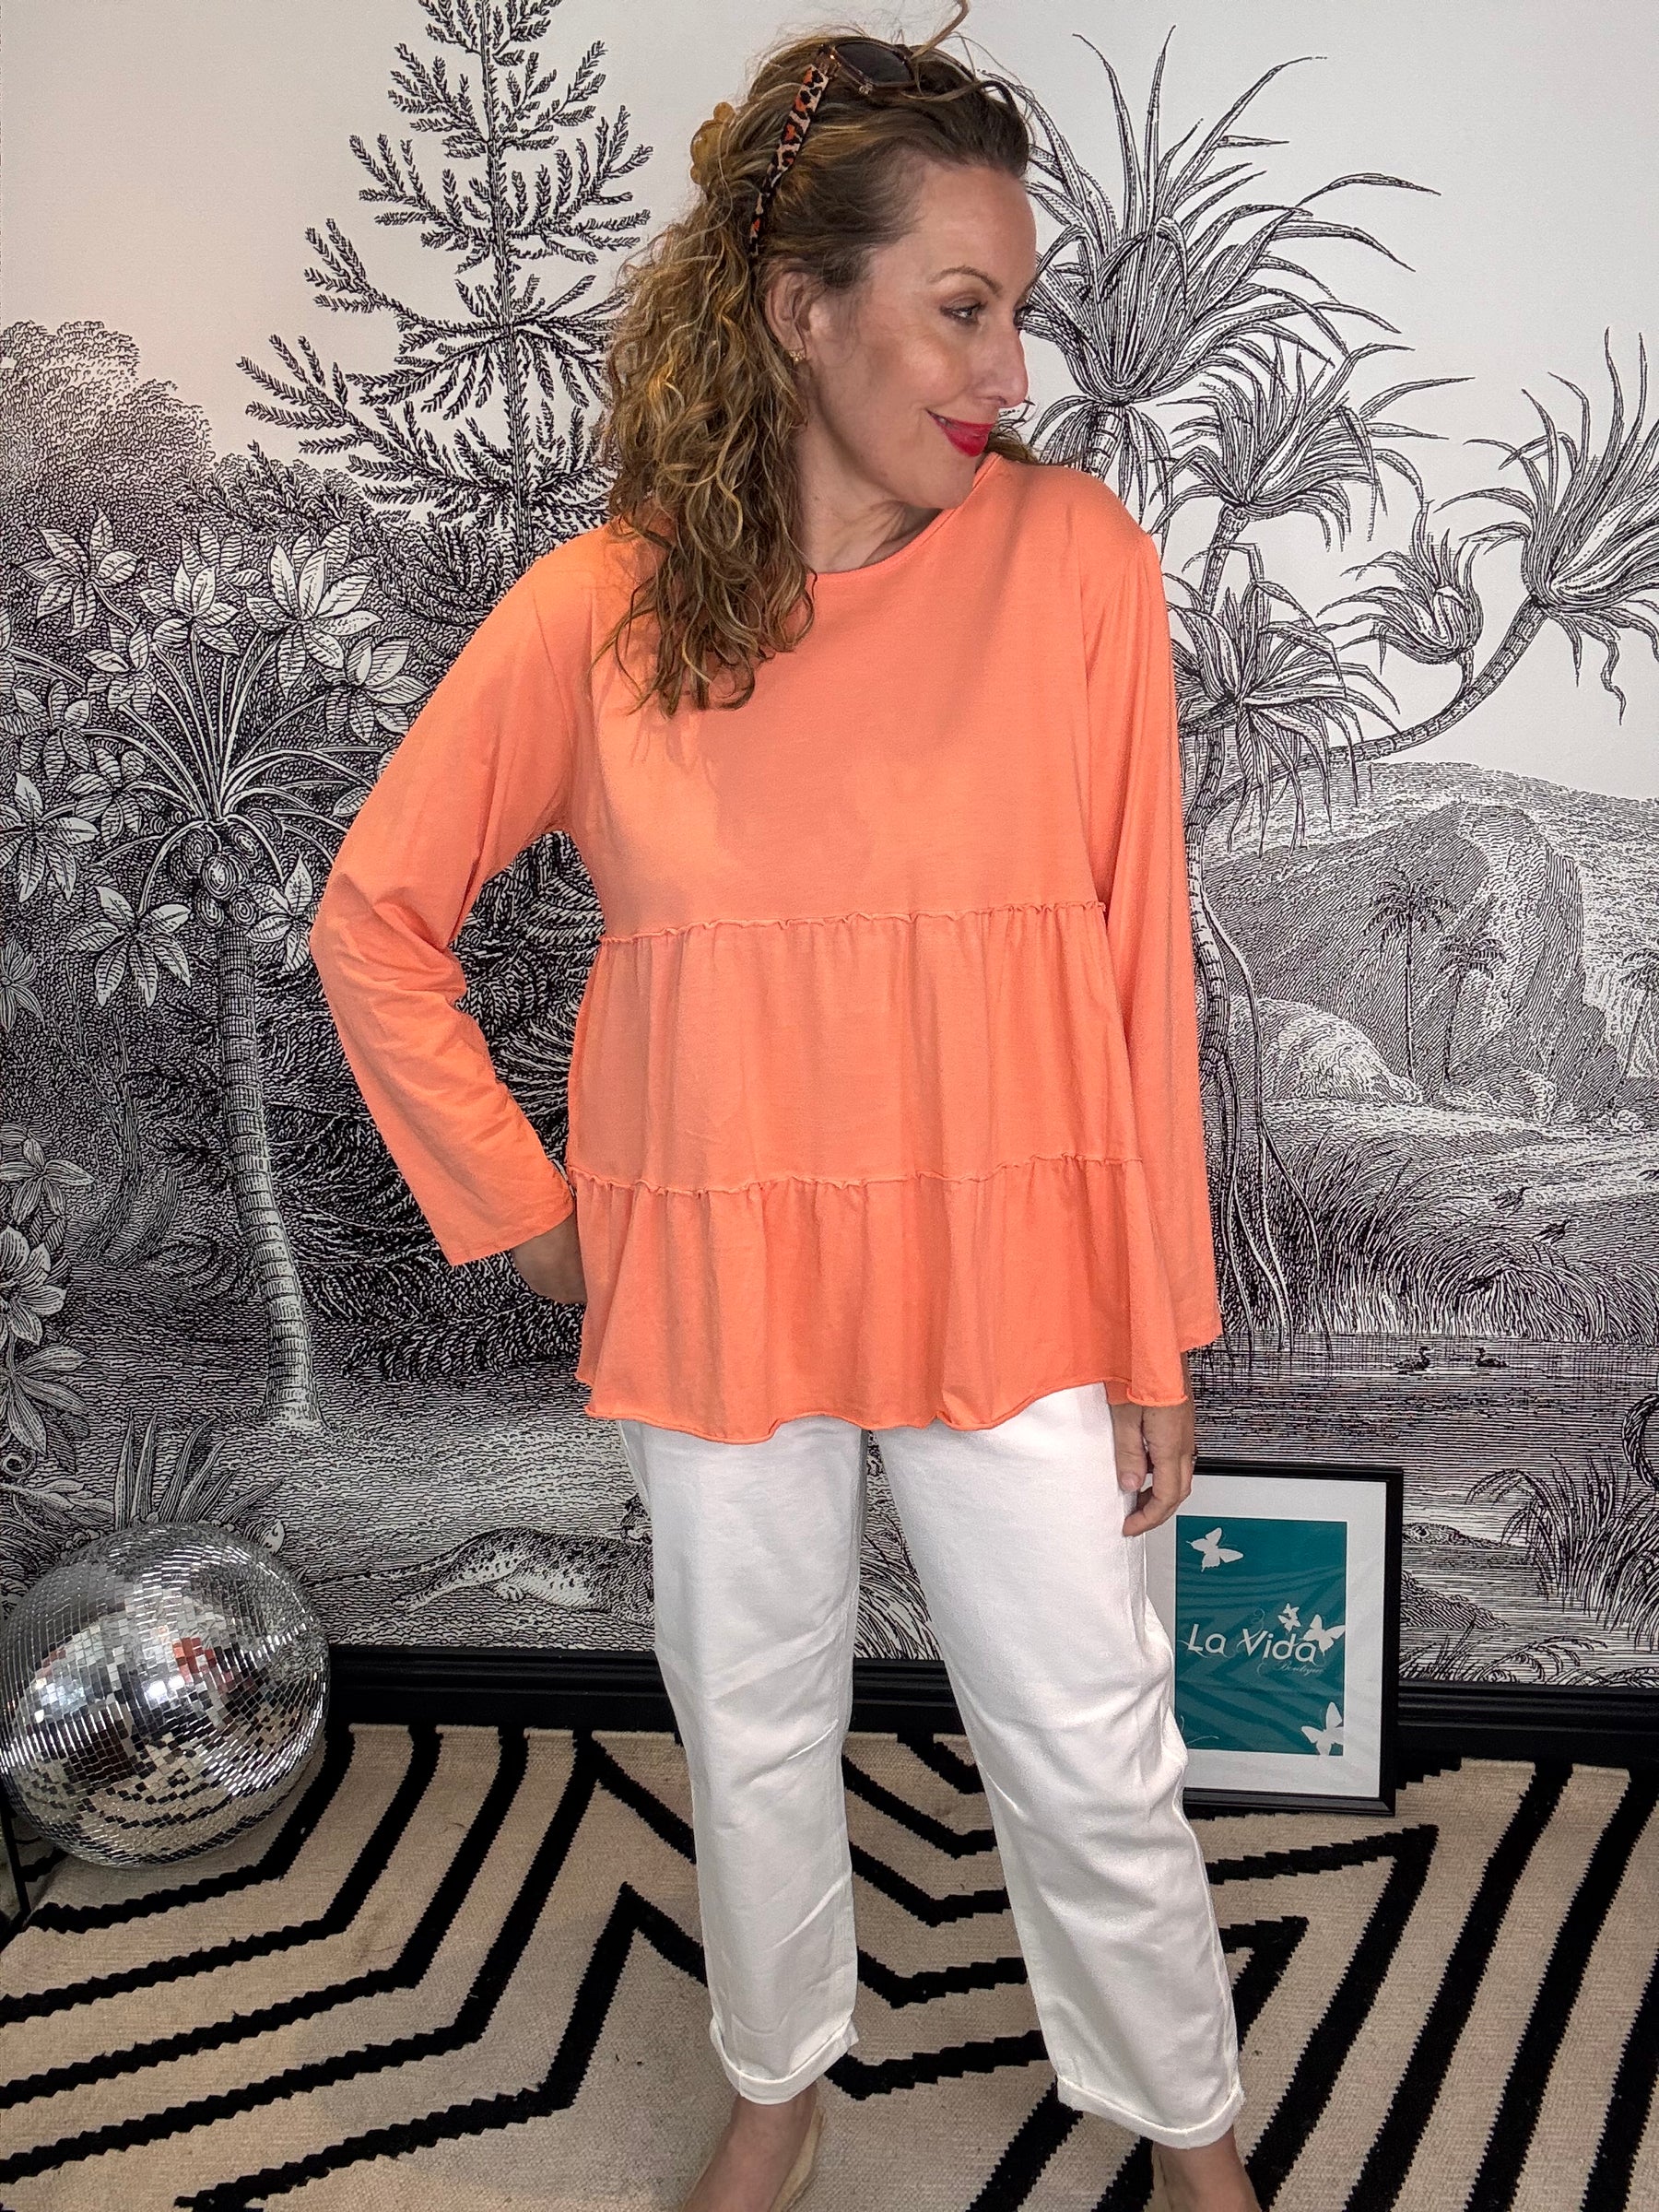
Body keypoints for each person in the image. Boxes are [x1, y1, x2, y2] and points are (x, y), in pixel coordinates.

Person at [309, 9, 1260, 2209]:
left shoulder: (1076, 563)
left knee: (1089, 1743)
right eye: (963, 308)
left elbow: (1140, 976)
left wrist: (1158, 1322)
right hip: (716, 1268)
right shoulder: (601, 610)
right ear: (799, 307)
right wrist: (534, 1216)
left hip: (1018, 1260)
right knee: (746, 1723)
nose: (1009, 366)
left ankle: (1187, 2123)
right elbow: (376, 919)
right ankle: (778, 2077)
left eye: (1016, 312)